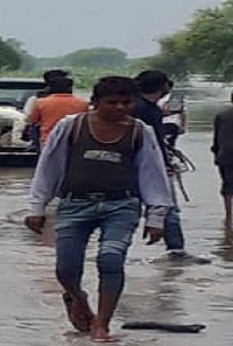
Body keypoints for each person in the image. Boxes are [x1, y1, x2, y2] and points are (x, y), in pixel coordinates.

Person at [25, 76, 171, 343]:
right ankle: (77, 297)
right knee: (66, 269)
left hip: (121, 205)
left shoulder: (140, 132)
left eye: (126, 102)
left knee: (111, 259)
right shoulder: (71, 127)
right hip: (74, 204)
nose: (119, 108)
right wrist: (37, 206)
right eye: (112, 102)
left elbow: (153, 176)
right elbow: (49, 167)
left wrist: (156, 216)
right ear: (95, 102)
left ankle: (101, 325)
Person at [132, 70, 188, 259]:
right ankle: (176, 250)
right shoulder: (149, 110)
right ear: (163, 86)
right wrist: (165, 163)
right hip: (151, 166)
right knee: (167, 206)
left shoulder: (135, 106)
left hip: (125, 165)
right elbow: (154, 142)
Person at [29, 76, 89, 146]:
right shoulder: (82, 103)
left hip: (48, 140)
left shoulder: (41, 102)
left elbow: (33, 121)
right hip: (73, 141)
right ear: (70, 88)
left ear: (50, 88)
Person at [212, 92, 233, 230]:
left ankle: (228, 215)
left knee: (227, 186)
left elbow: (217, 138)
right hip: (225, 154)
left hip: (226, 155)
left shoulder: (222, 116)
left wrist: (216, 152)